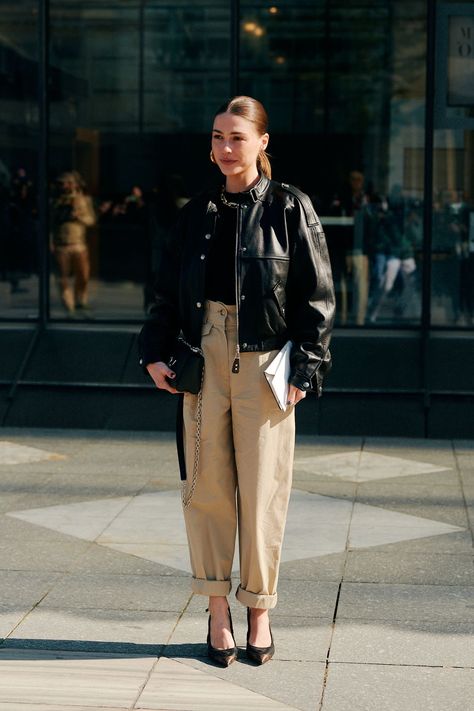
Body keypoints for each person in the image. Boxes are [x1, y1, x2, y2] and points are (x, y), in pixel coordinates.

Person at [138, 96, 335, 667]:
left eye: (238, 137)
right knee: (206, 490)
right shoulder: (194, 212)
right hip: (204, 352)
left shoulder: (290, 208)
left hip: (266, 360)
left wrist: (307, 367)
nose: (227, 147)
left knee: (263, 491)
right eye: (219, 137)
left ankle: (259, 609)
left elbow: (317, 295)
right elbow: (164, 290)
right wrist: (155, 351)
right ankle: (217, 611)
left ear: (262, 143)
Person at [50, 171, 95, 315]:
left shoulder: (83, 200)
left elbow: (91, 220)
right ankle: (68, 305)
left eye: (68, 183)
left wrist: (78, 216)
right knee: (62, 276)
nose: (65, 186)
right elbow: (49, 223)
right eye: (62, 184)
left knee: (83, 275)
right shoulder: (55, 202)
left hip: (79, 244)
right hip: (61, 244)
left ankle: (80, 300)